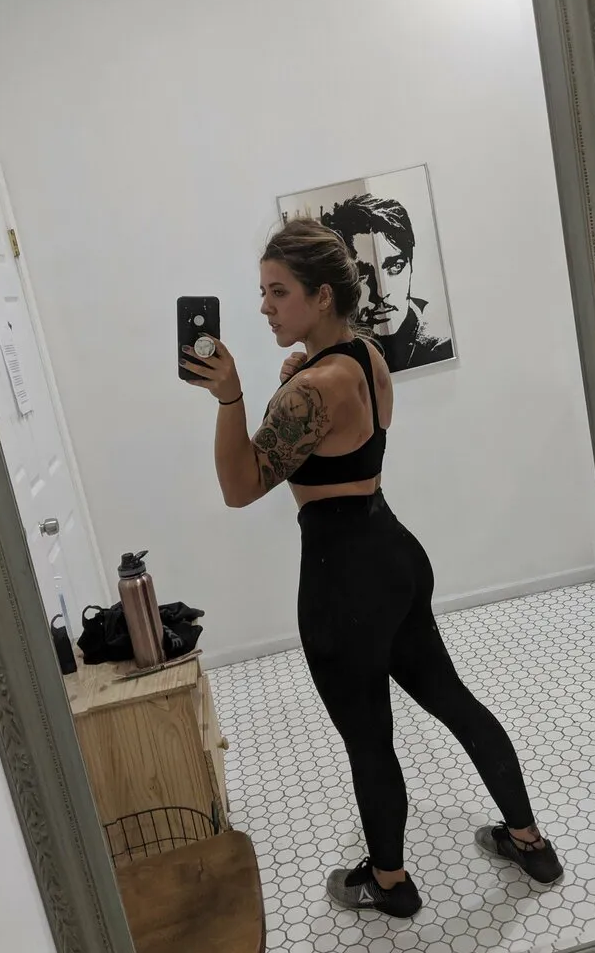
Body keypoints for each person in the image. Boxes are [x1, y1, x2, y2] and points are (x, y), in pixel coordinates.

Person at [179, 218, 562, 919]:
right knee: (455, 701)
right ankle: (529, 841)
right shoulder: (363, 356)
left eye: (278, 292)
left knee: (369, 742)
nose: (264, 307)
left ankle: (389, 883)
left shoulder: (309, 389)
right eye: (262, 292)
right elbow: (343, 431)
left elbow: (239, 486)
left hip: (342, 579)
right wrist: (294, 380)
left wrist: (232, 398)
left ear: (321, 295)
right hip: (394, 554)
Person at [321, 193, 455, 372]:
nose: (382, 293)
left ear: (411, 266)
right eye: (362, 274)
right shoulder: (329, 351)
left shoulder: (440, 344)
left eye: (396, 267)